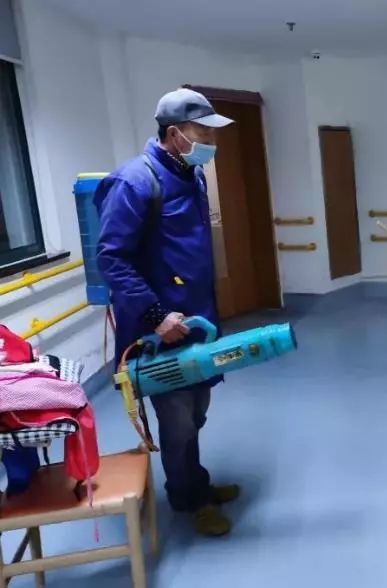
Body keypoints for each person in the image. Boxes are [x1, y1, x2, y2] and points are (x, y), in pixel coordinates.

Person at [95, 88, 239, 537]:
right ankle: (189, 499)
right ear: (175, 134)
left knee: (197, 409)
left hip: (195, 321)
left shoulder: (191, 176)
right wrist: (157, 315)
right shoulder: (134, 182)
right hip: (158, 329)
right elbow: (112, 258)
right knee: (177, 418)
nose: (212, 143)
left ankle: (195, 482)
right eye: (203, 134)